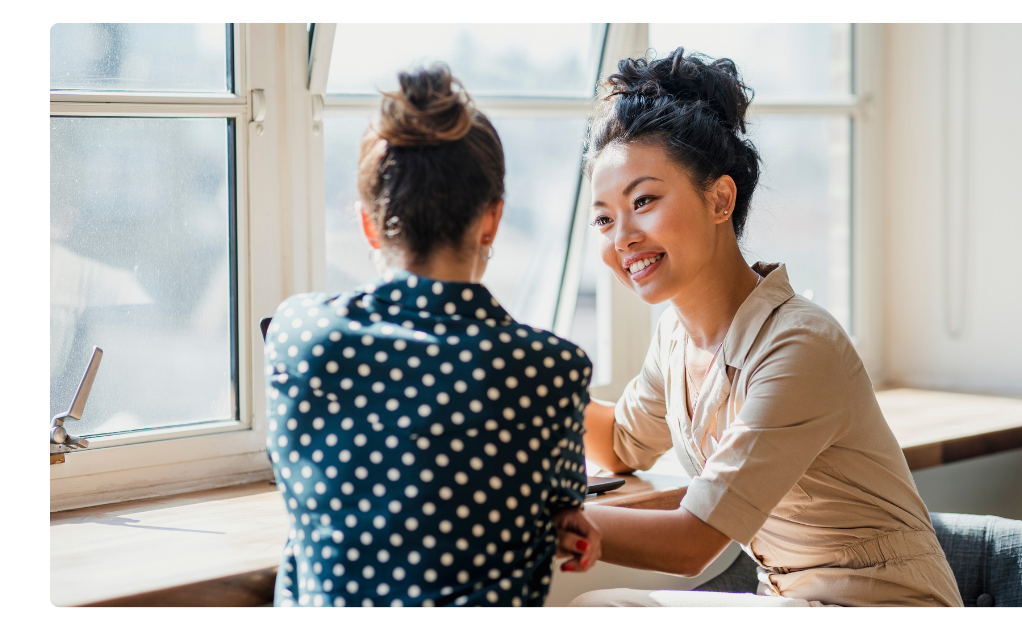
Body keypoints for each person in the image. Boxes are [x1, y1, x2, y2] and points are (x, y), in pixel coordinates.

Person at [571, 48, 963, 608]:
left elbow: (693, 543)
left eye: (646, 201)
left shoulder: (798, 345)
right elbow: (621, 443)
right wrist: (519, 373)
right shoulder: (676, 340)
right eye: (605, 218)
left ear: (720, 198)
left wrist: (545, 520)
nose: (622, 237)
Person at [265, 65, 601, 608]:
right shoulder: (550, 369)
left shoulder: (298, 333)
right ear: (490, 221)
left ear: (369, 224)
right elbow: (562, 504)